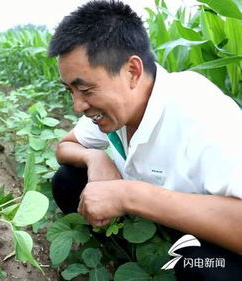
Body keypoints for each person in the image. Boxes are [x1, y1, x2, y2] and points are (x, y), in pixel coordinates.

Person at [48, 0, 242, 280]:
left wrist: (129, 195)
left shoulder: (202, 112)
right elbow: (65, 146)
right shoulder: (114, 109)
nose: (78, 105)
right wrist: (95, 157)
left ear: (132, 72)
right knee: (67, 180)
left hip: (208, 233)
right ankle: (123, 257)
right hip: (156, 222)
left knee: (204, 264)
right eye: (71, 91)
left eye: (86, 89)